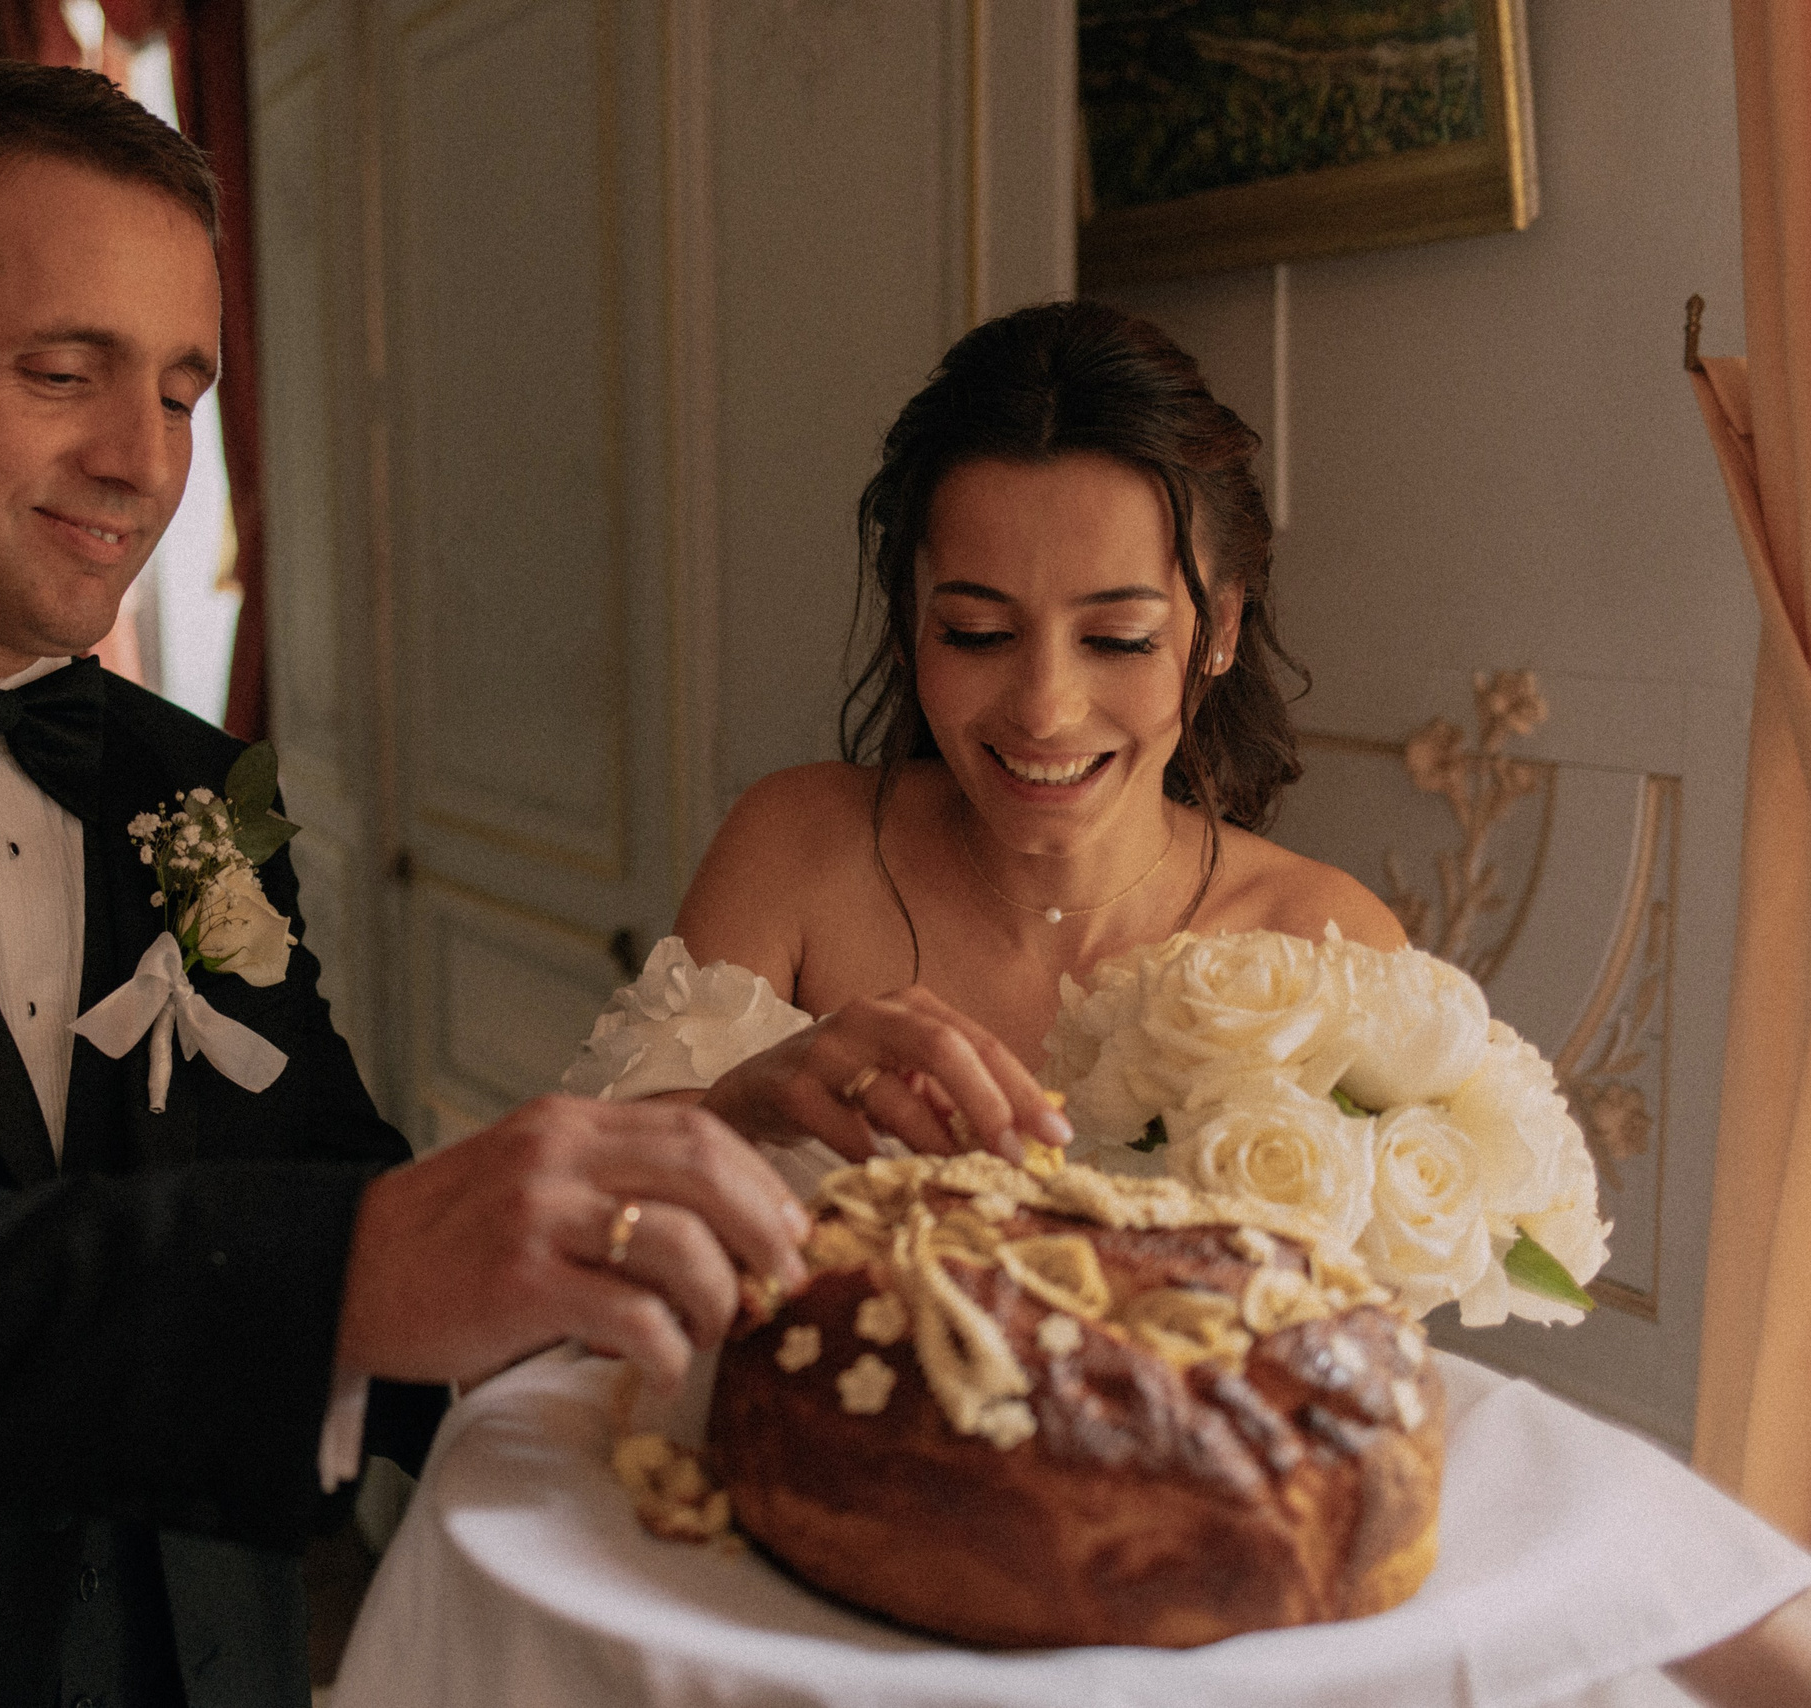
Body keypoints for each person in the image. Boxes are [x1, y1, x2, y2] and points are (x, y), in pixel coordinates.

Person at [0, 60, 991, 1708]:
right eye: (67, 371)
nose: (145, 461)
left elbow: (325, 1180)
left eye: (187, 391)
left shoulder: (188, 782)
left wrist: (658, 1171)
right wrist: (335, 1276)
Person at [592, 300, 1811, 1705]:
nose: (1043, 709)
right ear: (912, 624)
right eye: (977, 629)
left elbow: (1325, 1410)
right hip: (796, 1588)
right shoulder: (796, 846)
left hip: (1184, 1626)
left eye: (1116, 637)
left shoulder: (1322, 944)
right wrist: (739, 1105)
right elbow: (581, 1215)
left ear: (1218, 630)